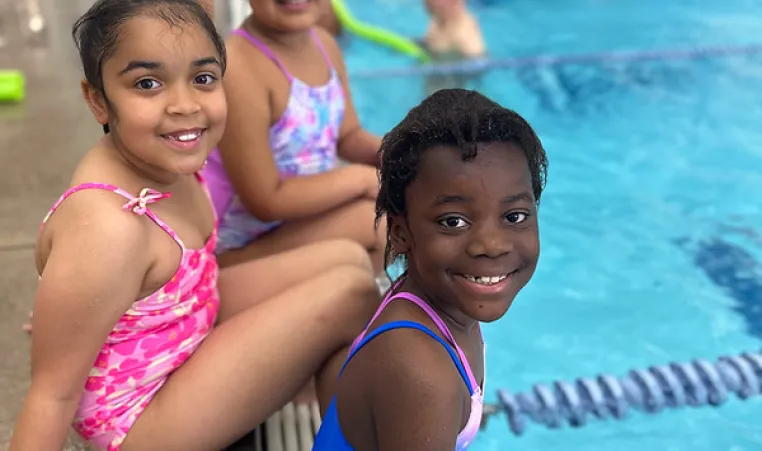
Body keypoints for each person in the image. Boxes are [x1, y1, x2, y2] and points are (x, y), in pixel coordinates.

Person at [9, 1, 379, 450]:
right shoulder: (108, 227)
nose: (184, 105)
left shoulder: (171, 163)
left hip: (185, 326)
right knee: (351, 293)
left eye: (203, 78)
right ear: (97, 100)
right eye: (148, 83)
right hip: (138, 423)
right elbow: (51, 396)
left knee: (347, 258)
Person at [313, 89, 549, 450]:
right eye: (453, 221)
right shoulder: (422, 370)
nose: (491, 245)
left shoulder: (427, 305)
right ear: (400, 232)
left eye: (514, 216)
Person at [201, 0, 385, 272]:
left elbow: (348, 136)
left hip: (298, 226)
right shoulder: (239, 68)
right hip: (237, 251)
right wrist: (363, 179)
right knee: (380, 223)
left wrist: (408, 154)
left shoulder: (325, 46)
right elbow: (266, 200)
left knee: (406, 220)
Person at [421, 0, 487, 95]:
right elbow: (428, 43)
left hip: (452, 83)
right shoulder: (438, 20)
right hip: (437, 72)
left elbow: (480, 65)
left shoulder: (464, 31)